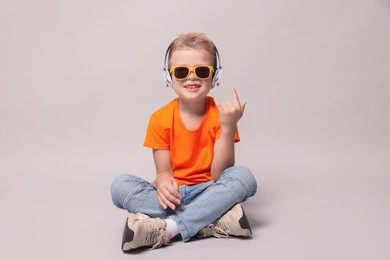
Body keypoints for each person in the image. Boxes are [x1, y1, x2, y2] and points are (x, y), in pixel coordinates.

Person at [110, 32, 257, 251]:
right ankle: (212, 219)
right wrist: (163, 181)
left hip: (209, 190)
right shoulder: (159, 118)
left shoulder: (222, 115)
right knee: (120, 185)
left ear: (214, 77)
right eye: (181, 72)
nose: (192, 77)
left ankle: (168, 228)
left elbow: (220, 175)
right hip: (174, 196)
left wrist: (228, 127)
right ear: (168, 78)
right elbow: (163, 172)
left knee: (244, 178)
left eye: (201, 71)